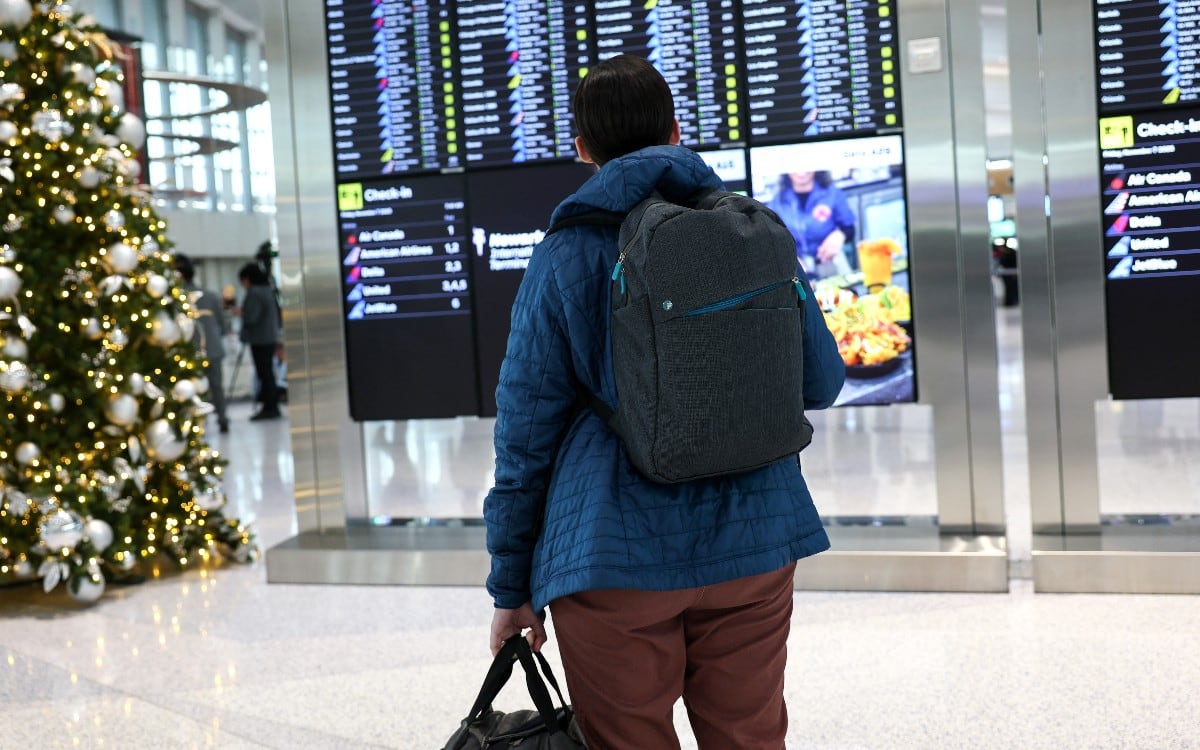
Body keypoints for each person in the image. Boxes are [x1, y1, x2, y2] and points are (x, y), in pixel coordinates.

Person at [483, 55, 845, 749]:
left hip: (610, 555)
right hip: (757, 540)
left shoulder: (563, 257)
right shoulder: (752, 230)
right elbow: (822, 382)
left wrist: (510, 586)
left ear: (582, 148)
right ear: (678, 130)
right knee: (748, 737)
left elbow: (525, 434)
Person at [173, 253, 229, 433]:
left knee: (192, 389)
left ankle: (197, 424)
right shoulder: (211, 296)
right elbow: (222, 323)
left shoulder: (174, 300)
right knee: (217, 386)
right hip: (213, 348)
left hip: (189, 352)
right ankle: (222, 418)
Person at [766, 170, 856, 279]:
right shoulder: (777, 202)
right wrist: (789, 257)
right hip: (795, 269)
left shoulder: (833, 193)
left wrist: (840, 235)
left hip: (831, 262)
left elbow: (849, 228)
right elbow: (771, 240)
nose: (801, 171)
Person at [237, 262, 282, 421]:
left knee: (264, 373)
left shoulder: (254, 292)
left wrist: (242, 313)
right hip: (269, 336)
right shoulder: (267, 290)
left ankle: (269, 406)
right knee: (268, 372)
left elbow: (252, 317)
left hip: (259, 338)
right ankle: (272, 405)